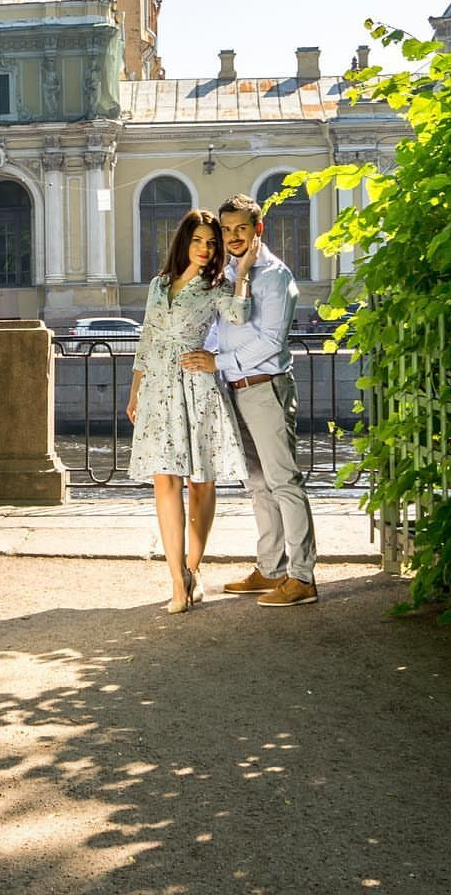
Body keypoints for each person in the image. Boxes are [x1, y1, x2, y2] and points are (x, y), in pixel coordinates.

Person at [181, 192, 318, 607]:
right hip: (236, 389)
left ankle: (303, 578)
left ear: (258, 229)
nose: (233, 236)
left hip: (266, 387)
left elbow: (271, 341)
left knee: (283, 481)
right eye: (227, 230)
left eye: (242, 228)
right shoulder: (229, 272)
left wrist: (216, 361)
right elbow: (222, 328)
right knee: (257, 483)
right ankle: (271, 569)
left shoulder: (274, 276)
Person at [125, 209, 259, 614]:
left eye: (212, 243)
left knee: (200, 481)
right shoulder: (158, 285)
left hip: (195, 384)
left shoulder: (216, 285)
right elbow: (147, 339)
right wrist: (135, 392)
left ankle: (193, 569)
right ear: (184, 241)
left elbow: (240, 314)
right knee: (164, 482)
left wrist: (245, 269)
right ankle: (176, 582)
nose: (205, 249)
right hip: (157, 389)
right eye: (198, 240)